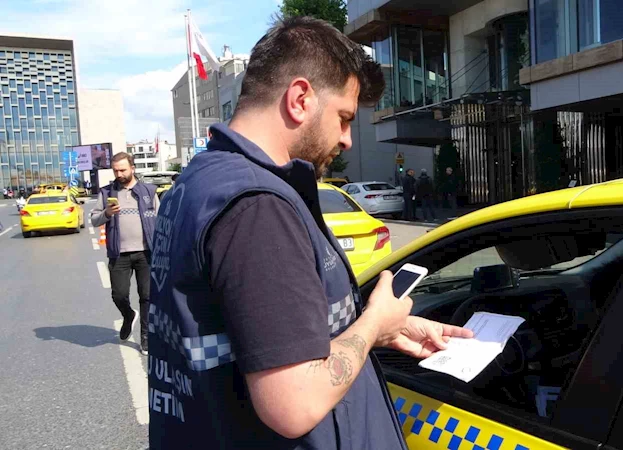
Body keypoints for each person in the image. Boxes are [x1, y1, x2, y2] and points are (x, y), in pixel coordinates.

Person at [147, 17, 472, 450]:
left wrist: (390, 330)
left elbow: (259, 332)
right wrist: (374, 323)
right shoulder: (257, 206)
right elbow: (294, 402)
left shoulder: (197, 183)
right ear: (300, 98)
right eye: (343, 117)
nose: (347, 139)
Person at [90, 152, 158, 355]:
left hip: (146, 253)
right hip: (119, 254)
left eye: (122, 170)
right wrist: (107, 214)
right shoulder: (107, 192)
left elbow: (161, 218)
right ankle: (128, 315)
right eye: (115, 170)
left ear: (132, 168)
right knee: (118, 294)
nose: (119, 174)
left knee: (147, 296)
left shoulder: (148, 190)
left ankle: (146, 337)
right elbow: (94, 220)